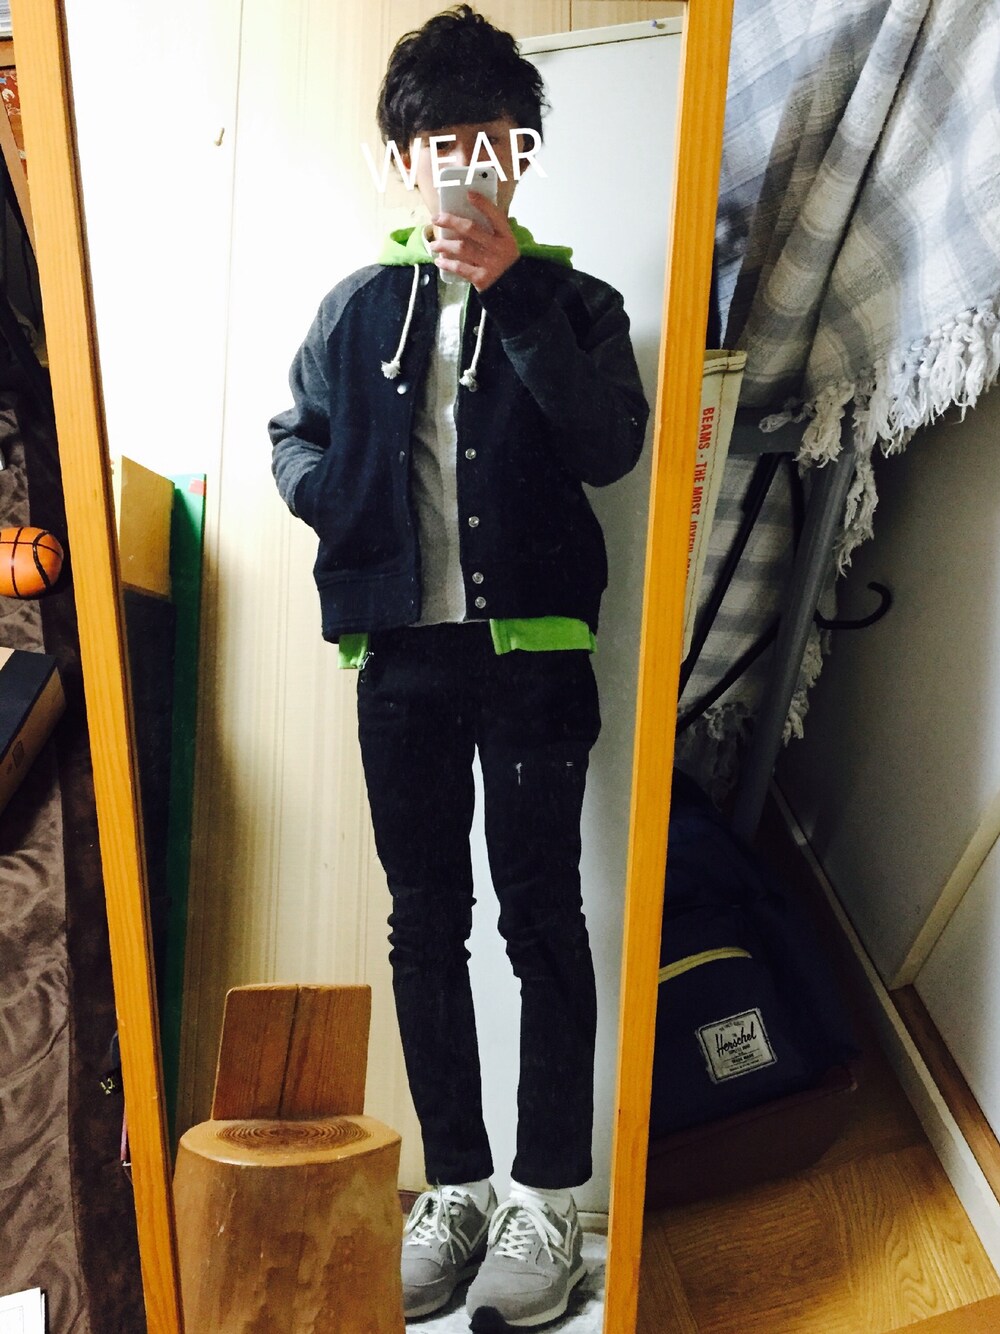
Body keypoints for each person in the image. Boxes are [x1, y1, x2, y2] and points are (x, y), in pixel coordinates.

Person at [269, 6, 648, 1328]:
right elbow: (295, 435)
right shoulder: (353, 309)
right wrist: (338, 506)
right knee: (425, 920)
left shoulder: (578, 302)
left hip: (536, 657)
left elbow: (610, 447)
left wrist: (513, 293)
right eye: (443, 143)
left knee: (543, 915)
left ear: (521, 155)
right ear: (402, 160)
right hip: (401, 664)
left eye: (493, 141)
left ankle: (547, 1195)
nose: (468, 166)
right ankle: (459, 1185)